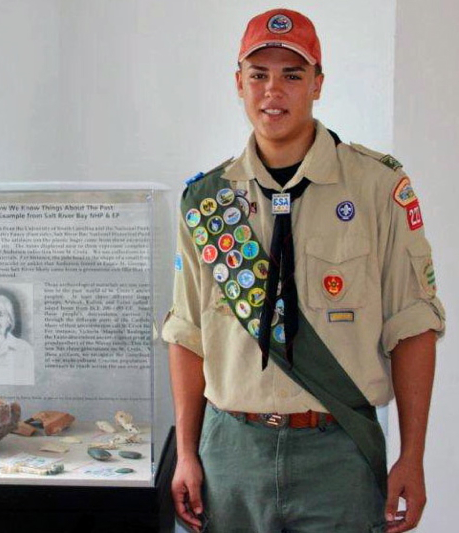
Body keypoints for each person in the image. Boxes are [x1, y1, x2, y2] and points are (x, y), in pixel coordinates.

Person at [162, 8, 445, 533]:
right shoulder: (206, 202)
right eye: (259, 75)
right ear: (238, 83)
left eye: (292, 75)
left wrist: (412, 455)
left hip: (339, 452)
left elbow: (413, 324)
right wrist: (185, 452)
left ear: (318, 84)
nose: (274, 90)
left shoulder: (377, 188)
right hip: (232, 453)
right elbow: (187, 335)